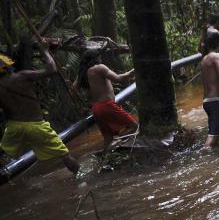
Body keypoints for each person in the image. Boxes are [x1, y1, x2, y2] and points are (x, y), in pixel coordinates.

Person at [0, 44, 80, 176]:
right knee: (64, 155)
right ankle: (81, 177)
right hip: (36, 125)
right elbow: (51, 70)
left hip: (13, 128)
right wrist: (45, 51)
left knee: (4, 154)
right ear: (8, 66)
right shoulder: (22, 76)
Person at [77, 50, 138, 153]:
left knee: (108, 138)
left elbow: (74, 87)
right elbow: (119, 78)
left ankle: (106, 158)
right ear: (96, 58)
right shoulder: (100, 67)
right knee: (135, 126)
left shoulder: (84, 73)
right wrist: (133, 71)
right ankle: (118, 144)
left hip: (96, 108)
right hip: (107, 105)